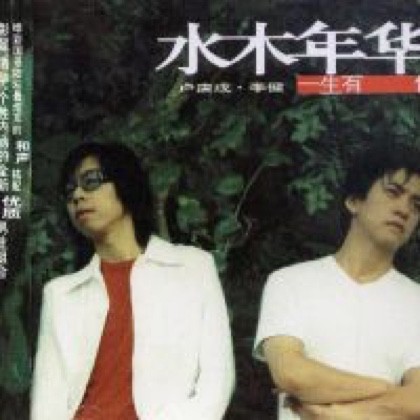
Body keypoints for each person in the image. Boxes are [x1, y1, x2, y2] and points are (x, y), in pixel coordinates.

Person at [31, 142, 235, 420]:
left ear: (126, 184)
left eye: (91, 181)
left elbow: (217, 379)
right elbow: (47, 400)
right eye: (69, 191)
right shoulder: (60, 294)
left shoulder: (193, 268)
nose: (77, 195)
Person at [254, 142, 420, 419]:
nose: (404, 209)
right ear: (354, 201)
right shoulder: (290, 283)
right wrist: (389, 390)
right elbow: (292, 375)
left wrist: (343, 414)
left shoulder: (416, 302)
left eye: (416, 205)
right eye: (393, 192)